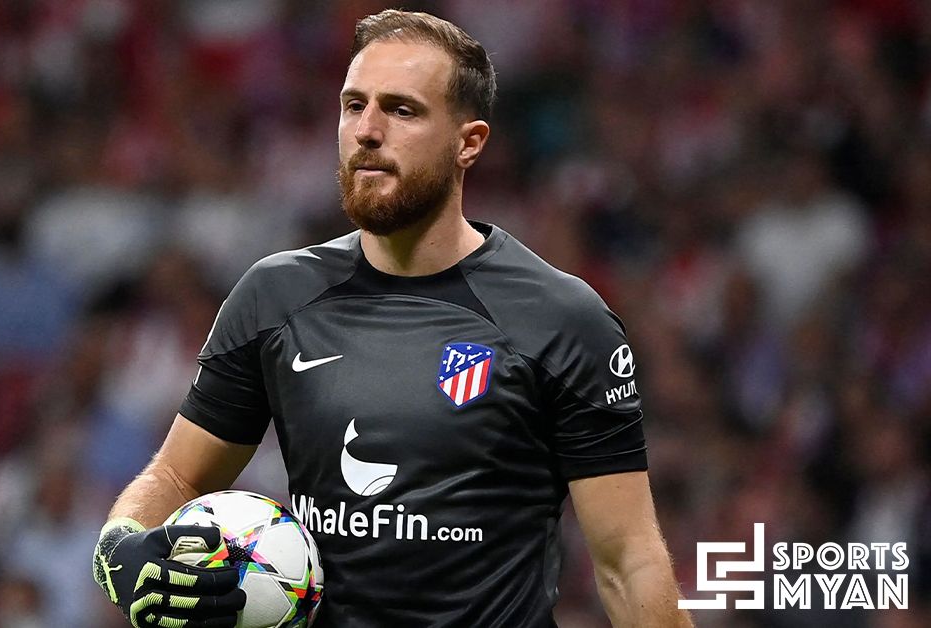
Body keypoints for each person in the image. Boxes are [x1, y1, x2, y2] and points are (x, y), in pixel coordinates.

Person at [93, 9, 693, 627]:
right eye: (354, 106)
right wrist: (121, 545)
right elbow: (176, 475)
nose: (367, 131)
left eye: (402, 110)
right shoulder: (275, 297)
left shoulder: (562, 320)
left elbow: (628, 560)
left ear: (469, 143)